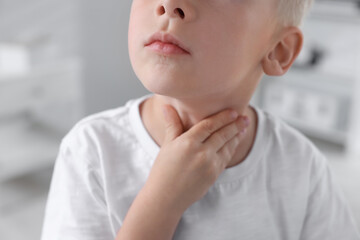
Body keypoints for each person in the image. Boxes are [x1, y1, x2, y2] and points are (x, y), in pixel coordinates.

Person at [41, 0, 360, 239]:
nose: (170, 5)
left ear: (277, 50)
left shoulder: (302, 167)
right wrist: (162, 202)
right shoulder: (90, 152)